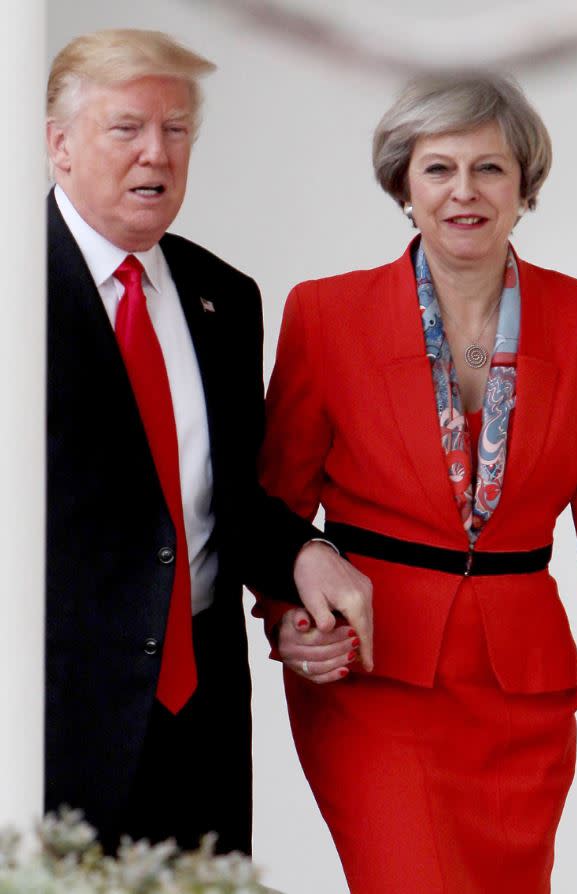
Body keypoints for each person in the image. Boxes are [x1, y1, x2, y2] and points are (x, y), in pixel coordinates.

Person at [254, 74, 577, 892]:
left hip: (525, 699)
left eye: (489, 169)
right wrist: (283, 619)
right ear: (403, 186)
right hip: (376, 683)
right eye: (438, 169)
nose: (463, 192)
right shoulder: (324, 314)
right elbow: (275, 509)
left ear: (524, 188)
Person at [44, 28, 373, 856]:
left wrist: (303, 556)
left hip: (202, 722)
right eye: (127, 127)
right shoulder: (13, 288)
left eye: (177, 129)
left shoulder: (223, 297)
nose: (157, 151)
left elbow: (231, 502)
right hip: (53, 728)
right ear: (59, 145)